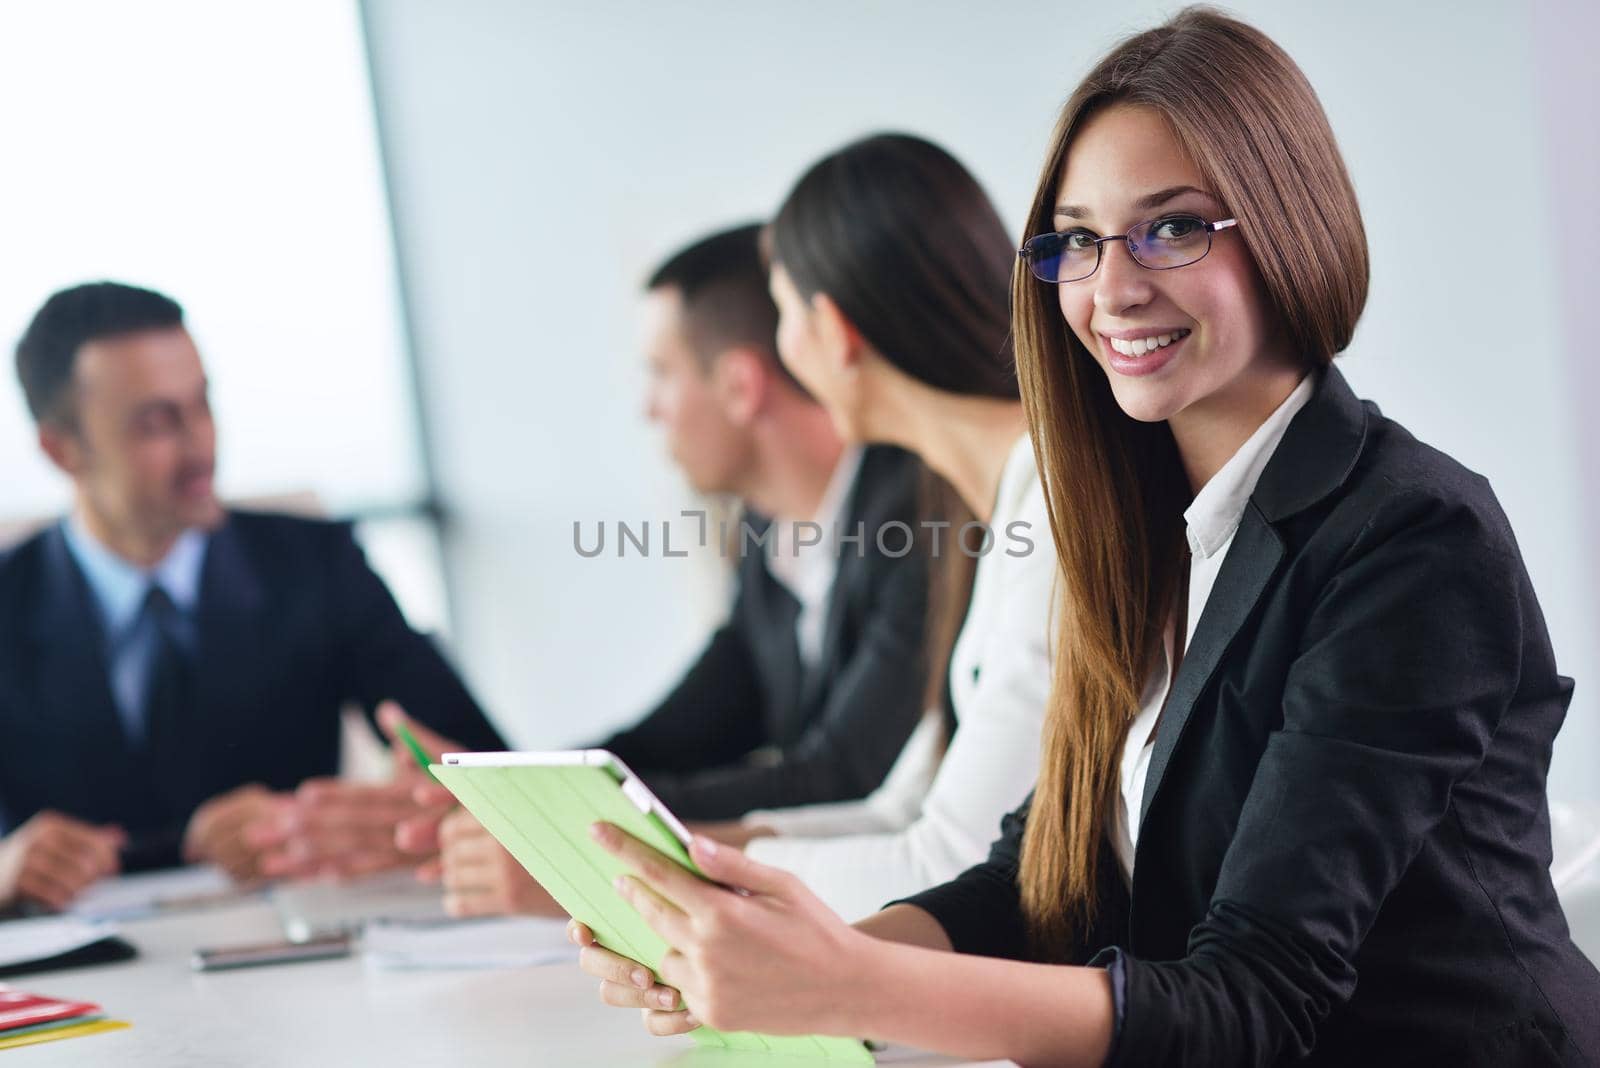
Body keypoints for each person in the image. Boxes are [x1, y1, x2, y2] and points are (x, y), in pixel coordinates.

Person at [568, 9, 1600, 1065]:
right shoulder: (1137, 522)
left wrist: (846, 983)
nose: (1111, 287)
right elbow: (1045, 876)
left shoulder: (1414, 540)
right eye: (1076, 239)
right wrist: (778, 971)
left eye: (1172, 227)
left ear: (1289, 223)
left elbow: (1259, 1002)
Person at [418, 138, 1058, 923]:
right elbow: (905, 808)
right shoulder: (992, 504)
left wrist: (606, 861)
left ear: (832, 331)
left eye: (785, 313)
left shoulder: (1004, 516)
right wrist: (539, 801)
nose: (645, 407)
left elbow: (936, 848)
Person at [0, 281, 505, 912]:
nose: (201, 446)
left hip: (301, 940)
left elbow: (489, 769)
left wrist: (383, 813)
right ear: (61, 448)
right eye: (158, 423)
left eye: (203, 405)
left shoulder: (318, 565)